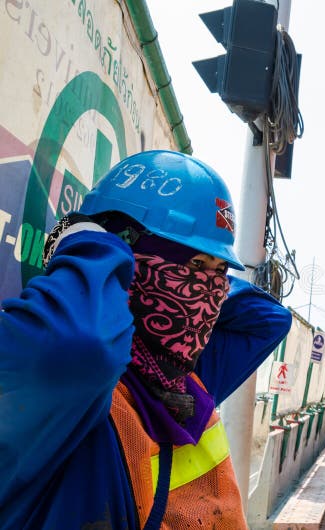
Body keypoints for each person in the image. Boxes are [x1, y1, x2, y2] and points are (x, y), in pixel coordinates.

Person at [0, 150, 292, 529]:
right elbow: (82, 345)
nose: (208, 291)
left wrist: (199, 276)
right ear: (124, 254)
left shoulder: (184, 381)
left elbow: (270, 319)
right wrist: (91, 242)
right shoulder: (77, 395)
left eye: (218, 272)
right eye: (193, 266)